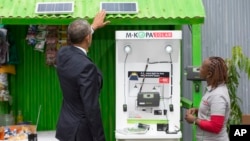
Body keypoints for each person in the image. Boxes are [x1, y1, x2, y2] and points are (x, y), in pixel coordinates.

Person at [55, 10, 110, 141]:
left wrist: (92, 27)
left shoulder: (62, 54)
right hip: (80, 134)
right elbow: (91, 108)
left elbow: (77, 40)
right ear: (88, 38)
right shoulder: (87, 68)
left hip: (66, 129)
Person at [185, 56, 231, 141]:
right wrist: (198, 110)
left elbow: (215, 127)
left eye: (202, 67)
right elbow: (211, 112)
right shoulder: (213, 90)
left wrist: (194, 120)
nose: (199, 68)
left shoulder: (218, 95)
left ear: (209, 74)